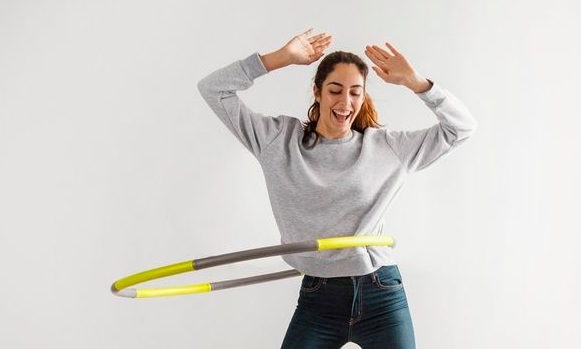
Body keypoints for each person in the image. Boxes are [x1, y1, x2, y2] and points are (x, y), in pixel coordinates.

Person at [197, 28, 477, 349]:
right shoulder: (277, 140)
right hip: (319, 299)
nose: (345, 102)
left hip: (381, 293)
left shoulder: (386, 148)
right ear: (317, 92)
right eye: (335, 90)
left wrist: (415, 82)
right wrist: (279, 59)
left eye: (355, 92)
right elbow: (213, 89)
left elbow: (463, 127)